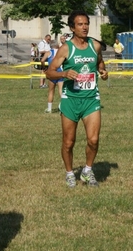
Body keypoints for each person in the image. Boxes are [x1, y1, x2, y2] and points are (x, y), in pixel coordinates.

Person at [46, 10, 108, 188]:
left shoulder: (95, 46)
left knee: (93, 140)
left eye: (86, 24)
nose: (84, 27)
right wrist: (64, 73)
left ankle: (87, 171)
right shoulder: (66, 48)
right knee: (68, 142)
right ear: (72, 28)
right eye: (80, 24)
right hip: (70, 99)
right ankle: (69, 173)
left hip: (91, 99)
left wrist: (103, 72)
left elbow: (100, 63)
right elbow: (50, 72)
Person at [41, 40, 64, 113]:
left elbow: (42, 60)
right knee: (61, 90)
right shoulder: (61, 52)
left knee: (51, 91)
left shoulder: (48, 53)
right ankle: (63, 108)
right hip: (60, 72)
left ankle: (49, 109)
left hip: (52, 73)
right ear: (57, 45)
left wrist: (44, 68)